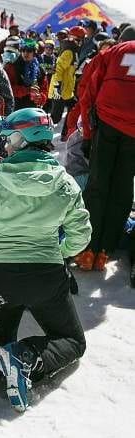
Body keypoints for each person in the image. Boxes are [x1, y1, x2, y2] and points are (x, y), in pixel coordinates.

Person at [0, 107, 91, 418]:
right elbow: (81, 235)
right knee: (71, 341)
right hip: (46, 278)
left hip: (0, 277)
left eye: (10, 138)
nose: (6, 145)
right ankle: (24, 357)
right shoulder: (63, 181)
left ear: (24, 139)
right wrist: (60, 251)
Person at [75, 28, 135, 272]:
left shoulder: (111, 52)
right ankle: (104, 253)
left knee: (97, 185)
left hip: (107, 125)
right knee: (122, 188)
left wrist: (88, 135)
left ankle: (87, 250)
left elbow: (88, 93)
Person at [49, 26, 84, 141]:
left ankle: (65, 134)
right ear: (70, 38)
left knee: (73, 106)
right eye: (77, 39)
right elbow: (58, 69)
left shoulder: (74, 50)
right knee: (55, 117)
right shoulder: (69, 51)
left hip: (67, 90)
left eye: (81, 40)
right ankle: (42, 138)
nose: (79, 42)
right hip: (59, 89)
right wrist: (57, 86)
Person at [4, 39, 48, 110]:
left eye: (29, 51)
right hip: (15, 109)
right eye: (23, 50)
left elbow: (44, 89)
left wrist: (41, 98)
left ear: (34, 52)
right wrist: (27, 90)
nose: (25, 53)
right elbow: (7, 89)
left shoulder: (40, 70)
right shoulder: (12, 67)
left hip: (33, 110)